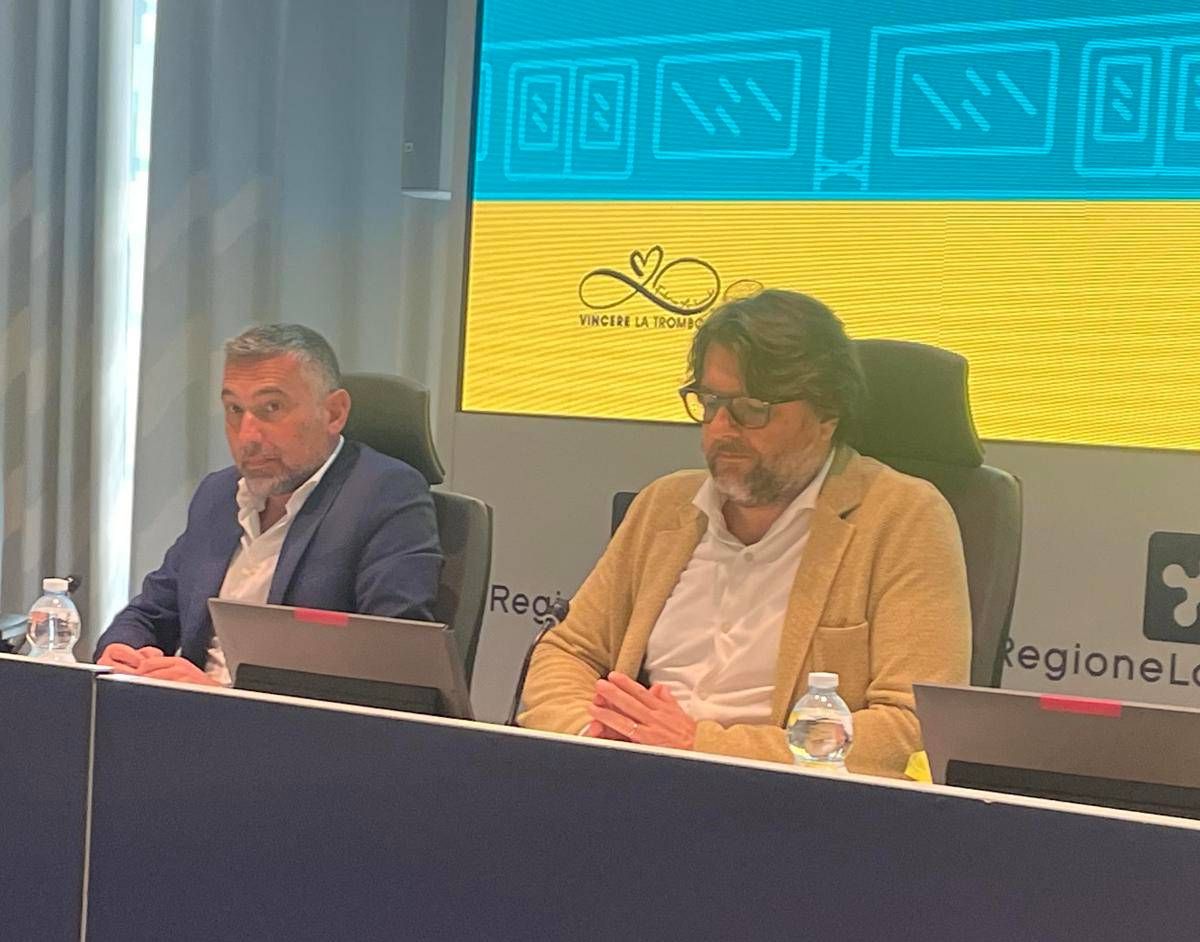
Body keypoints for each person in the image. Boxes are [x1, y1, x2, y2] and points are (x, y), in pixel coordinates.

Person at [519, 289, 970, 778]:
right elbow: (568, 651)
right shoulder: (664, 506)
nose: (720, 428)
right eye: (710, 402)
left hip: (784, 804)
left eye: (752, 408)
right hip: (626, 781)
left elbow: (911, 727)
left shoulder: (903, 518)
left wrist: (699, 746)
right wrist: (591, 736)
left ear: (826, 416)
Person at [94, 324, 442, 685]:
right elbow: (152, 611)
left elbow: (390, 666)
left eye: (271, 407)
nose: (247, 436)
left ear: (334, 413)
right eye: (234, 409)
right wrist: (124, 649)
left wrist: (224, 697)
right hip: (182, 710)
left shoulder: (386, 495)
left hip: (284, 719)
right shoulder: (218, 494)